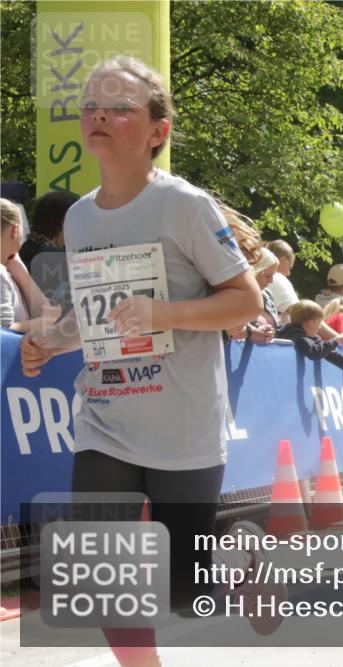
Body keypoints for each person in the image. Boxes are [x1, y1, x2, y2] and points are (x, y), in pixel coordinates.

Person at [17, 56, 285, 663]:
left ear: (157, 131)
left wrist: (164, 313)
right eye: (90, 105)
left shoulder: (182, 205)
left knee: (185, 593)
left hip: (183, 424)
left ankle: (240, 552)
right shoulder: (80, 217)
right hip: (107, 418)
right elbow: (95, 316)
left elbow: (245, 302)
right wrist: (49, 340)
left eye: (119, 107)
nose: (99, 115)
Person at [276, 300, 343, 385]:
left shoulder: (311, 337)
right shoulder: (298, 337)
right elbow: (314, 353)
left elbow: (332, 354)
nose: (319, 328)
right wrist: (336, 340)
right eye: (319, 324)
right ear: (309, 324)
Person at [2, 198, 59, 332]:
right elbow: (3, 331)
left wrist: (21, 272)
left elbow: (42, 311)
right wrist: (46, 322)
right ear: (15, 230)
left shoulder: (11, 269)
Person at [264, 239, 298, 325]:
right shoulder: (278, 278)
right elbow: (301, 314)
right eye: (289, 268)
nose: (289, 273)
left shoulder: (255, 275)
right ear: (282, 260)